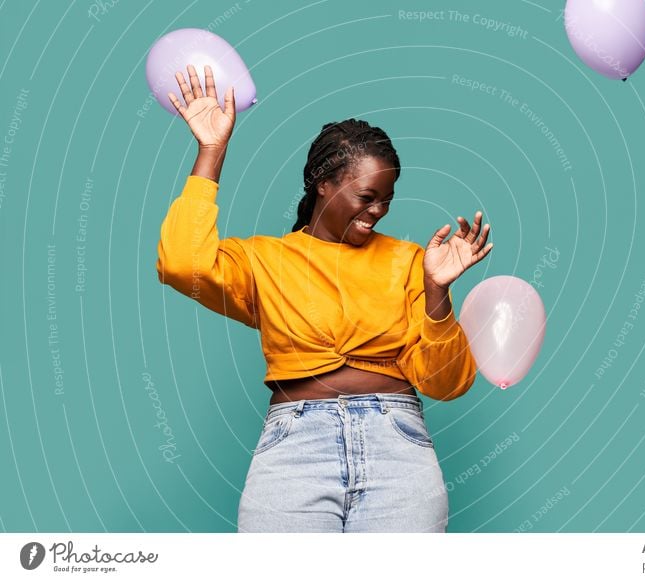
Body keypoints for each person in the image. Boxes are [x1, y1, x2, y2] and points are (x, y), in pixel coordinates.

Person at [156, 65, 493, 533]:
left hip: (398, 447)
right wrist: (212, 151)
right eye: (366, 196)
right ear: (323, 184)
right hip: (296, 449)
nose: (378, 211)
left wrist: (438, 291)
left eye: (387, 199)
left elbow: (448, 384)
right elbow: (180, 263)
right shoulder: (266, 260)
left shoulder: (411, 261)